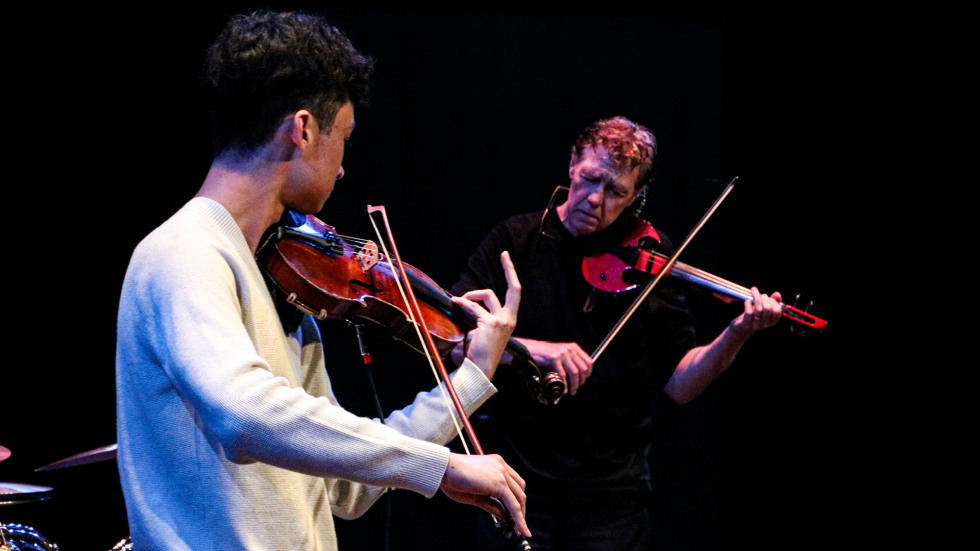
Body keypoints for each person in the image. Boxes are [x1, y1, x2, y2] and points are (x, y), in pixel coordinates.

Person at [114, 10, 529, 551]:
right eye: (344, 138)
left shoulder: (279, 280)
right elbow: (243, 412)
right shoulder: (182, 251)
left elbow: (344, 487)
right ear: (304, 129)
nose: (340, 169)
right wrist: (439, 465)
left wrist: (471, 379)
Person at [450, 116, 784, 550]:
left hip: (610, 503)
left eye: (616, 193)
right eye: (590, 179)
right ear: (573, 163)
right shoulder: (515, 239)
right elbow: (453, 341)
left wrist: (737, 333)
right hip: (513, 485)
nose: (595, 200)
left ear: (636, 197)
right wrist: (532, 351)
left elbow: (681, 384)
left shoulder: (649, 257)